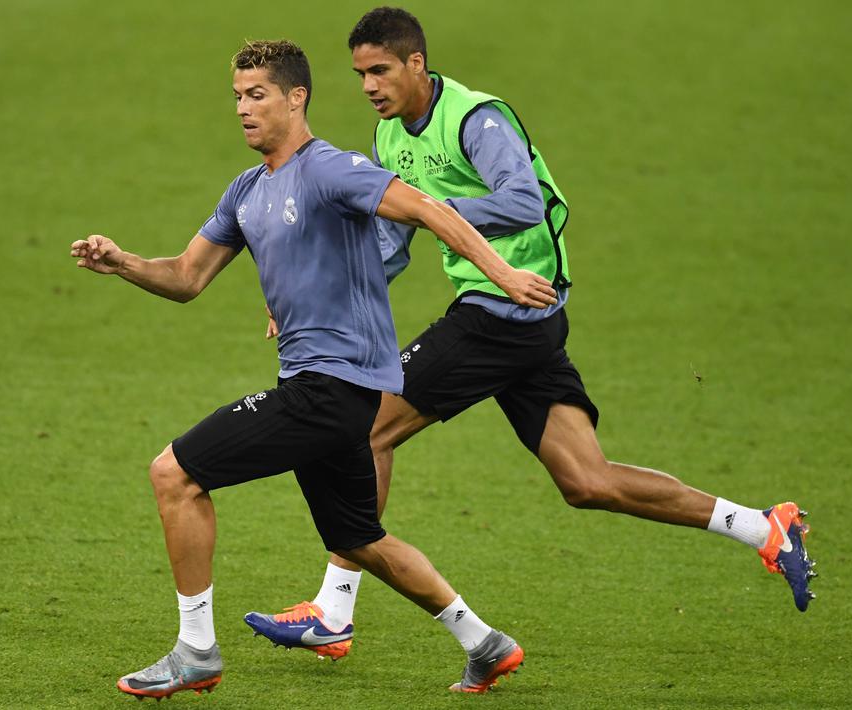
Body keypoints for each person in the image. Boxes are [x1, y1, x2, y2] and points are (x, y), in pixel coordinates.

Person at [244, 6, 817, 660]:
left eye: (380, 70)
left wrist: (434, 211)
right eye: (359, 75)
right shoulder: (390, 138)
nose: (369, 86)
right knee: (588, 480)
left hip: (504, 311)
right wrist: (319, 293)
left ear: (415, 63)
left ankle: (333, 610)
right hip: (521, 325)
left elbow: (523, 201)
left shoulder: (475, 119)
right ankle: (763, 528)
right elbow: (390, 244)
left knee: (364, 425)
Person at [73, 39, 558, 699]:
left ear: (296, 97)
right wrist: (123, 263)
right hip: (324, 391)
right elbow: (186, 277)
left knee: (174, 474)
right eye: (237, 96)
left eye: (257, 95)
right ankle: (484, 643)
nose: (243, 109)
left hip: (332, 388)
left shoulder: (331, 169)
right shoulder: (246, 190)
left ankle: (195, 651)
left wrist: (502, 274)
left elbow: (428, 208)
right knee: (359, 539)